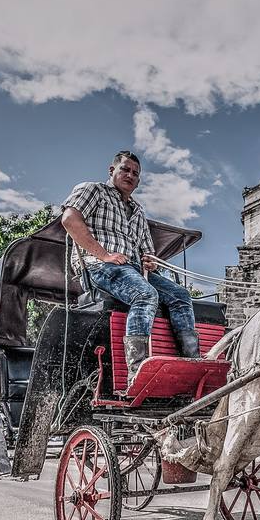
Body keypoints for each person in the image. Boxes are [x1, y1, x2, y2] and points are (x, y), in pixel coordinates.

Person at [61, 150, 199, 388]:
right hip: (99, 267)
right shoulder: (93, 190)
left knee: (181, 296)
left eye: (136, 173)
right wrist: (104, 255)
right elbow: (69, 220)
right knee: (145, 294)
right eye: (125, 169)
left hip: (134, 270)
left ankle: (192, 363)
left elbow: (148, 252)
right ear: (111, 170)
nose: (130, 175)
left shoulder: (138, 212)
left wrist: (151, 262)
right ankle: (138, 371)